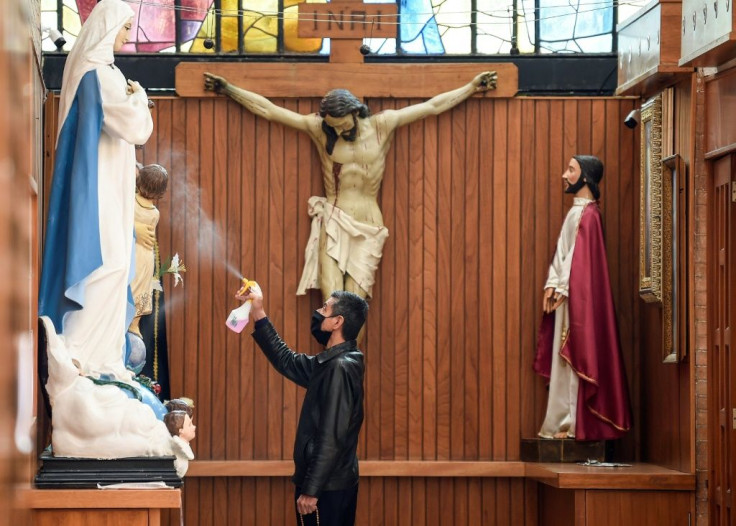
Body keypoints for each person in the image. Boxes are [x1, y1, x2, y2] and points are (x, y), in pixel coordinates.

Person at [204, 71, 497, 301]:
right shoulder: (320, 130)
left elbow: (432, 106)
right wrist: (227, 89)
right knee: (332, 305)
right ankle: (332, 375)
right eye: (334, 127)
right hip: (334, 219)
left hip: (368, 224)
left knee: (353, 309)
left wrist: (472, 87)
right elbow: (269, 110)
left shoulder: (384, 125)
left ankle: (349, 375)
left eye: (343, 125)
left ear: (355, 112)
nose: (340, 131)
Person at [37, 0, 173, 459]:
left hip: (103, 193)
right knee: (109, 267)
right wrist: (140, 96)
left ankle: (101, 359)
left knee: (114, 269)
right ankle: (89, 357)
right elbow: (137, 125)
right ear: (107, 26)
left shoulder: (88, 72)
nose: (126, 36)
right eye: (125, 27)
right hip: (100, 201)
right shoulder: (104, 74)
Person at [238, 286, 368, 526]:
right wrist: (258, 312)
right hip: (325, 484)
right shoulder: (332, 363)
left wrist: (312, 489)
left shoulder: (339, 368)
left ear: (338, 321)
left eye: (324, 308)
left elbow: (332, 436)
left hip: (325, 488)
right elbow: (286, 360)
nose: (318, 312)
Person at [533, 155, 632, 441]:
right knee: (564, 359)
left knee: (577, 357)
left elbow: (582, 263)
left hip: (580, 303)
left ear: (586, 176)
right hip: (566, 297)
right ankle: (562, 422)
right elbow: (563, 254)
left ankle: (576, 425)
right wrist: (552, 284)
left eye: (571, 170)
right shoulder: (575, 213)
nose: (564, 175)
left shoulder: (589, 215)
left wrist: (561, 287)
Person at [130, 163, 169, 338]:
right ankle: (134, 323)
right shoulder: (154, 213)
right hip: (144, 256)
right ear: (161, 193)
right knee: (141, 289)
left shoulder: (130, 201)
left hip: (133, 251)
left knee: (131, 286)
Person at [164, 409, 196, 477]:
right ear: (180, 430)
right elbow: (191, 456)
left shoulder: (181, 444)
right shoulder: (177, 443)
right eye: (190, 425)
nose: (194, 427)